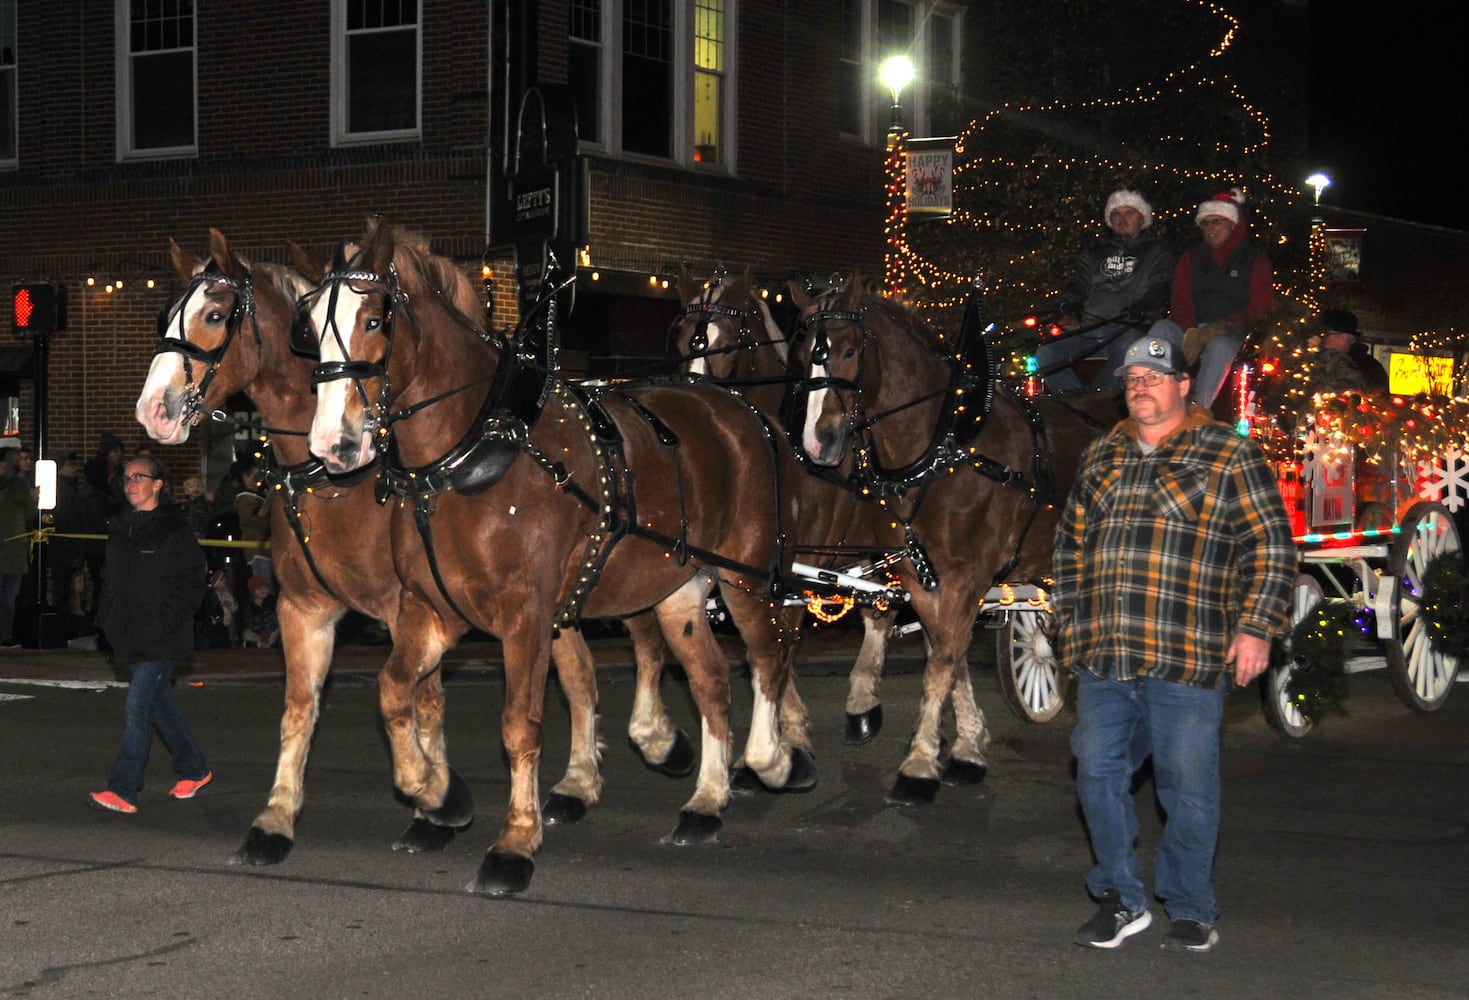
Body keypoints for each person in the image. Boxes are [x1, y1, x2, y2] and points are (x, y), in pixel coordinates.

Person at [1052, 335, 1295, 953]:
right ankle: (1120, 897)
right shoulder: (1102, 453)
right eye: (1132, 377)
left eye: (1154, 375)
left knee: (1186, 788)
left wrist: (1256, 627)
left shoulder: (1227, 453)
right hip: (1108, 655)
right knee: (1097, 774)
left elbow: (1269, 546)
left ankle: (1191, 906)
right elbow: (1071, 546)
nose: (1140, 385)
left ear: (1184, 385)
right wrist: (1072, 627)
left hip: (1187, 655)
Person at [88, 455, 213, 814]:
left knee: (138, 705)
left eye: (139, 477)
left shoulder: (173, 529)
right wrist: (107, 621)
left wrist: (171, 617)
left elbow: (193, 581)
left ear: (158, 484)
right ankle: (194, 767)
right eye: (126, 477)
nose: (130, 483)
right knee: (159, 704)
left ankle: (124, 787)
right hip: (128, 633)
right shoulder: (120, 527)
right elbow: (110, 583)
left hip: (162, 634)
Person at [1035, 190, 1175, 392]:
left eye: (1129, 213)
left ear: (1142, 218)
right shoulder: (1093, 252)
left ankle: (1099, 403)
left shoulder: (1157, 250)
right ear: (1109, 219)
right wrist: (1064, 301)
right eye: (1116, 214)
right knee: (1046, 353)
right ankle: (1077, 403)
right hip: (1091, 329)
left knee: (1128, 349)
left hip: (1130, 328)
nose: (1122, 219)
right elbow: (1078, 283)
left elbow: (1161, 283)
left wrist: (1145, 305)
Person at [1157, 189, 1276, 409]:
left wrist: (1223, 325)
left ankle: (1198, 409)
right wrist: (1191, 330)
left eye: (1217, 222)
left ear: (1232, 224)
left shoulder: (1254, 259)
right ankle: (1161, 399)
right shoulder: (1191, 256)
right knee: (1161, 329)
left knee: (1219, 345)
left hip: (1232, 330)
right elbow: (1180, 297)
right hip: (1193, 327)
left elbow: (1261, 304)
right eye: (1206, 223)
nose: (1210, 228)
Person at [1310, 308, 1388, 395]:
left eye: (1327, 334)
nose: (1322, 338)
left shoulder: (1365, 365)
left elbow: (1376, 389)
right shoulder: (1306, 359)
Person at [0, 442, 33, 647]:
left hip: (13, 550)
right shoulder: (17, 487)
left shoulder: (15, 486)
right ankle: (5, 635)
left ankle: (5, 634)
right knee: (7, 597)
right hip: (13, 549)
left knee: (7, 597)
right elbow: (29, 512)